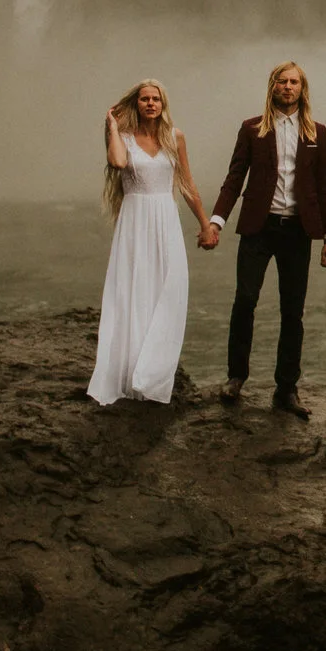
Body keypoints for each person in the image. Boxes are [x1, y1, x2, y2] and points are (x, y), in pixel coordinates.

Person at [200, 60, 326, 416]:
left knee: (293, 311)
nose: (288, 87)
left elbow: (324, 188)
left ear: (302, 89)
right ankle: (235, 377)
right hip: (258, 228)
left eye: (294, 82)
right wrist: (215, 221)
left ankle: (287, 388)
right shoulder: (252, 129)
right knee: (245, 300)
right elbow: (234, 179)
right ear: (272, 87)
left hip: (297, 231)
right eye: (282, 81)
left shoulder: (316, 133)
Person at [89, 79, 206, 406]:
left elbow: (186, 184)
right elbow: (118, 163)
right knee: (132, 291)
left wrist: (205, 223)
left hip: (164, 219)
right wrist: (112, 125)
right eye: (145, 99)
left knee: (166, 290)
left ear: (162, 103)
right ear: (136, 104)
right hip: (136, 219)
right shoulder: (123, 139)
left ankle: (152, 372)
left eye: (156, 99)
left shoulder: (175, 137)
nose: (151, 104)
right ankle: (128, 373)